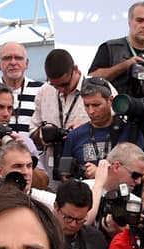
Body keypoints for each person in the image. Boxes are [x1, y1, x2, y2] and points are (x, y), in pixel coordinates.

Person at [87, 1, 144, 151]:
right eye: (140, 20)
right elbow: (92, 80)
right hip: (116, 124)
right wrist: (125, 66)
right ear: (130, 22)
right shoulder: (110, 48)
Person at [60, 81, 144, 177]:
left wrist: (102, 173)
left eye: (96, 105)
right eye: (86, 105)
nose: (91, 111)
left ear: (110, 100)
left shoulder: (130, 132)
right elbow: (64, 175)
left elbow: (142, 172)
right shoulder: (74, 136)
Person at [28, 49, 87, 177]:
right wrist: (43, 135)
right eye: (54, 85)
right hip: (51, 171)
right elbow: (32, 132)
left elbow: (113, 126)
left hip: (86, 168)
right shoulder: (44, 91)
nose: (60, 89)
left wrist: (85, 129)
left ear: (75, 69)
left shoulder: (97, 87)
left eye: (65, 84)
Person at [0, 42, 44, 134]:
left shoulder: (42, 90)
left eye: (18, 58)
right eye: (7, 58)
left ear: (26, 63)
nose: (13, 62)